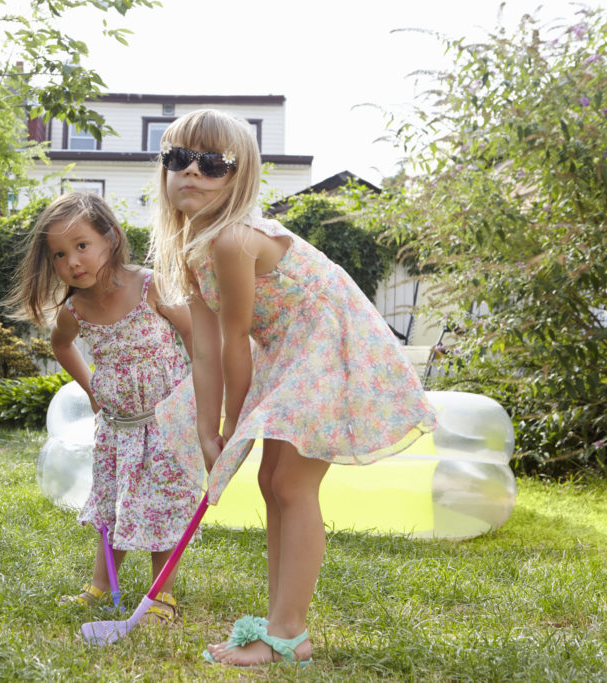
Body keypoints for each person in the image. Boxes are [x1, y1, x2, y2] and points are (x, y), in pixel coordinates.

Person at [149, 109, 436, 666]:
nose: (192, 172)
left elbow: (235, 340)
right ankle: (283, 625)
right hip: (291, 349)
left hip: (331, 343)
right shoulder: (194, 252)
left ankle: (287, 633)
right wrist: (207, 431)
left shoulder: (234, 240)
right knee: (273, 482)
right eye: (178, 159)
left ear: (240, 177)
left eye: (213, 164)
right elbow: (204, 349)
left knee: (292, 485)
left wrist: (235, 426)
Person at [7, 191, 202, 626]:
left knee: (162, 507)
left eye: (81, 246)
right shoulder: (75, 310)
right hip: (117, 429)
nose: (73, 262)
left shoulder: (150, 285)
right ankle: (99, 587)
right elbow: (59, 346)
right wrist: (92, 388)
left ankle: (161, 596)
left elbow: (193, 337)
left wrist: (199, 396)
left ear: (110, 238)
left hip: (166, 423)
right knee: (114, 508)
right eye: (59, 254)